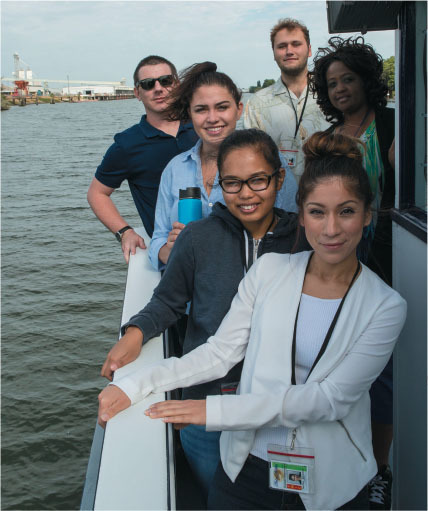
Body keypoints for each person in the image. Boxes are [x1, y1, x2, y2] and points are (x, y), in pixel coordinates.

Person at [97, 131, 406, 510]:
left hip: (331, 477)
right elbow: (219, 353)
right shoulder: (270, 270)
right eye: (316, 212)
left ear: (367, 215)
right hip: (245, 464)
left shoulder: (385, 305)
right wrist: (136, 382)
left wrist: (211, 411)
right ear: (302, 215)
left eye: (346, 211)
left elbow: (330, 400)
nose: (330, 229)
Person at [100, 128, 310, 499]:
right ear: (218, 184)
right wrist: (134, 333)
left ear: (279, 179)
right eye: (232, 183)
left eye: (258, 180)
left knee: (281, 499)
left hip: (280, 405)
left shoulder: (303, 241)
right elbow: (168, 301)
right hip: (208, 397)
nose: (245, 193)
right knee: (218, 495)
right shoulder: (199, 237)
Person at [312, 37, 395, 510]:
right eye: (332, 83)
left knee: (381, 371)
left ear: (366, 79)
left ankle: (378, 468)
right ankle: (340, 460)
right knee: (336, 362)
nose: (340, 89)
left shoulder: (391, 123)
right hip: (338, 256)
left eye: (347, 79)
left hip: (386, 258)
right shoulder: (329, 137)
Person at [148, 61, 298, 271]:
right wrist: (169, 250)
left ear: (239, 109)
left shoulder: (268, 160)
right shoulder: (175, 169)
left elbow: (293, 227)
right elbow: (158, 238)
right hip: (190, 292)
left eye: (222, 107)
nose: (212, 118)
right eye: (201, 110)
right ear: (190, 115)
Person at [87, 55, 198, 263]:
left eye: (166, 81)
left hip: (218, 238)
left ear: (177, 84)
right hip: (169, 250)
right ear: (137, 93)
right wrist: (124, 232)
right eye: (148, 84)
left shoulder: (203, 126)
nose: (158, 88)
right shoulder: (128, 144)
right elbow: (97, 193)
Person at [243, 18, 330, 182]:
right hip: (279, 201)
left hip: (329, 197)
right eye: (282, 46)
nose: (289, 51)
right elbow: (252, 159)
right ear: (274, 53)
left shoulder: (331, 95)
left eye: (296, 44)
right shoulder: (257, 104)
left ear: (309, 50)